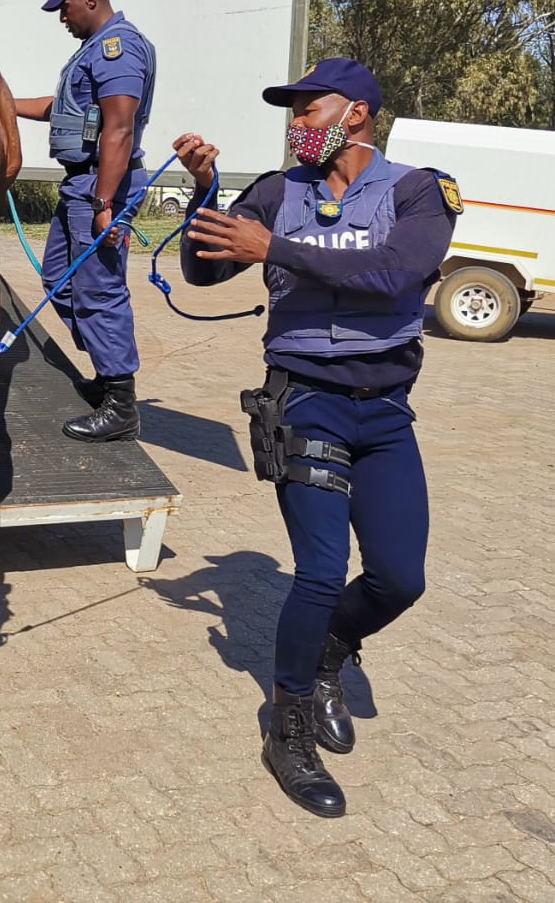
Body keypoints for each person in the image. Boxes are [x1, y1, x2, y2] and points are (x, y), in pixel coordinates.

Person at [173, 57, 460, 818]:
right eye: (290, 111)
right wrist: (204, 193)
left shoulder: (417, 191)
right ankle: (287, 728)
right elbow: (202, 274)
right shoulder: (274, 191)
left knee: (401, 578)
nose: (295, 122)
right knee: (322, 570)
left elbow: (397, 271)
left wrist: (275, 250)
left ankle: (332, 649)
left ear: (358, 113)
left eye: (309, 107)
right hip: (305, 401)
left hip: (387, 410)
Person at [13, 0, 156, 442]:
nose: (62, 16)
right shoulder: (93, 50)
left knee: (99, 292)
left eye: (65, 5)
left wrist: (103, 205)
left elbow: (119, 128)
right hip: (82, 185)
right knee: (58, 275)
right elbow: (64, 109)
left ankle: (120, 403)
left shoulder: (118, 49)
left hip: (101, 187)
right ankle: (107, 368)